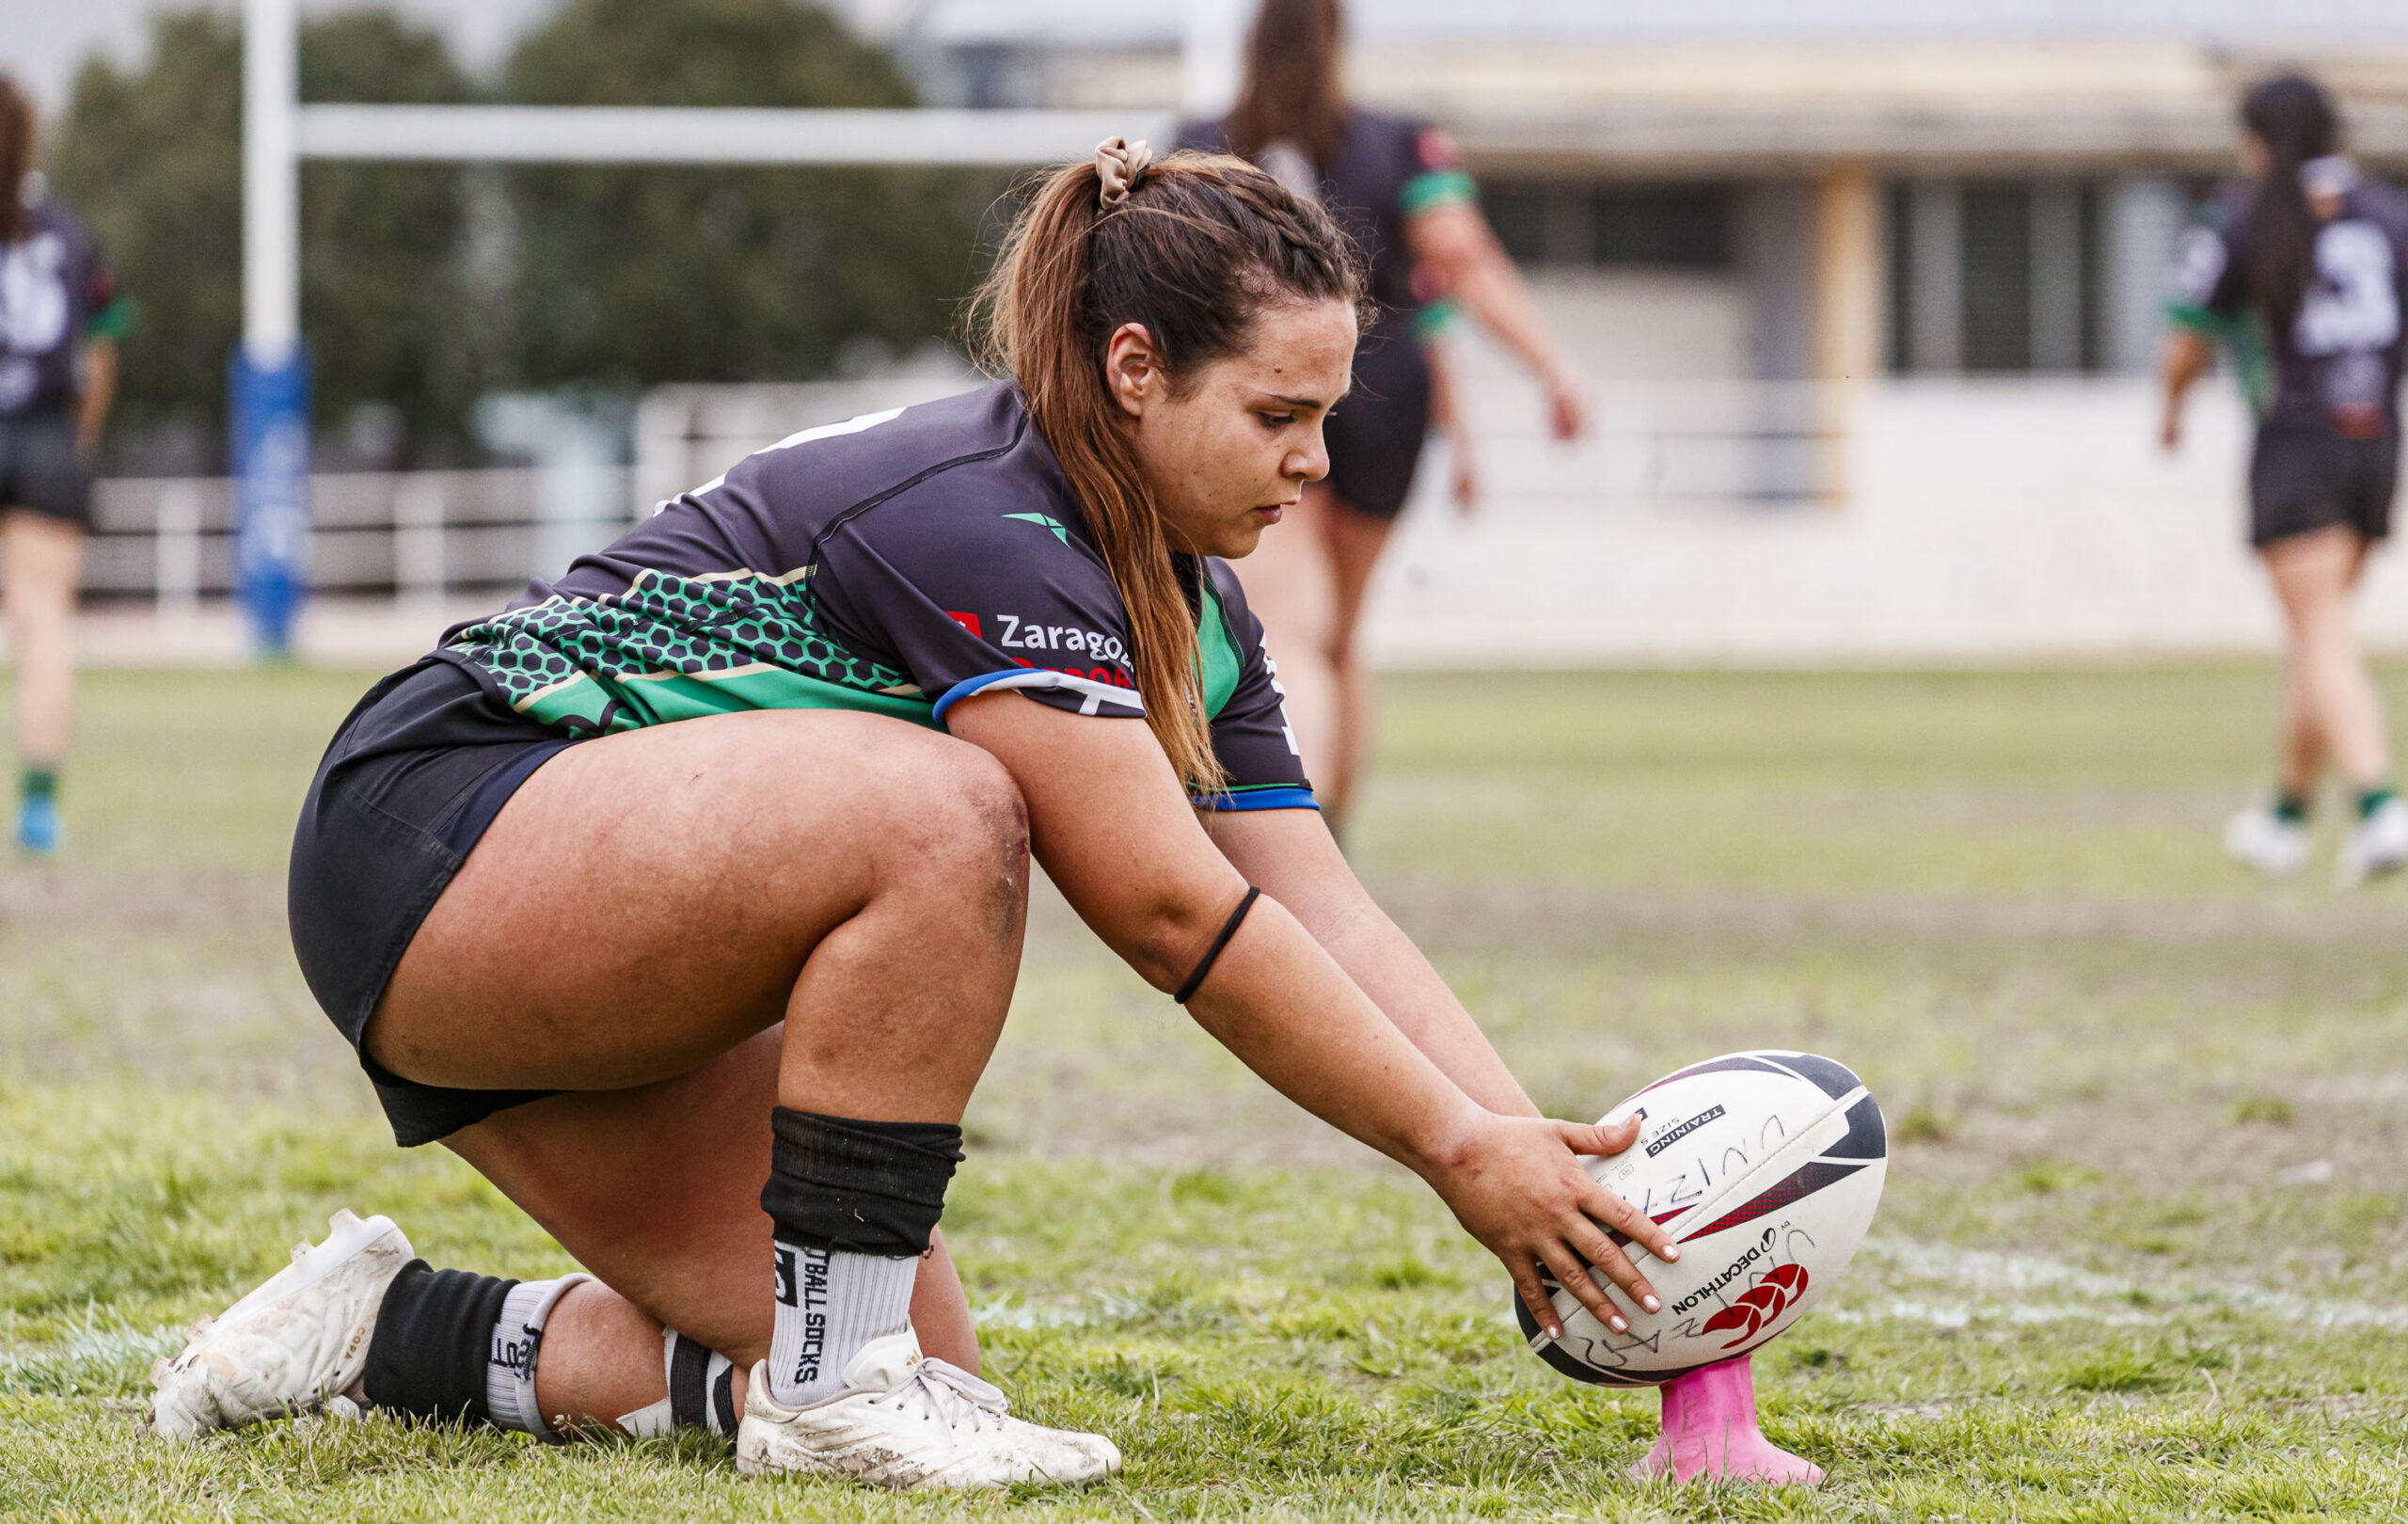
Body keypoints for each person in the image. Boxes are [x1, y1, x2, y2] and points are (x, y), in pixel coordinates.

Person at [147, 145, 1701, 1491]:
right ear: (1137, 370)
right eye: (1281, 413)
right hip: (438, 826)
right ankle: (832, 1388)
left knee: (912, 1341)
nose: (1319, 458)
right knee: (951, 810)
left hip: (604, 898)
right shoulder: (994, 518)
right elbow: (1172, 913)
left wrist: (1543, 1167)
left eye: (1330, 414)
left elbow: (1320, 905)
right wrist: (1450, 1153)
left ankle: (381, 1326)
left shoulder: (1189, 602)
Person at [1178, 0, 1587, 831]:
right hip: (1383, 400)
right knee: (1338, 641)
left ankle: (1295, 856)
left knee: (1287, 635)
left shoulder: (1197, 143)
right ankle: (1330, 851)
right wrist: (1551, 367)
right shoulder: (1401, 143)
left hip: (1263, 400)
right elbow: (1465, 260)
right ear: (1336, 43)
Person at [2162, 72, 2408, 886]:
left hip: (2297, 440)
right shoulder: (2387, 214)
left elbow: (2186, 341)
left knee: (2321, 633)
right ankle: (2286, 818)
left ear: (2257, 140)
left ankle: (2379, 805)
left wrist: (2171, 408)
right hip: (2374, 439)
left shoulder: (2243, 213)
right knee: (2320, 629)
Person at [0, 75, 126, 855]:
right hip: (48, 435)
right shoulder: (66, 231)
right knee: (43, 622)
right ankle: (39, 809)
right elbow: (103, 349)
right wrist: (78, 437)